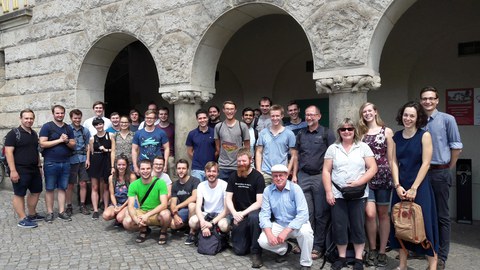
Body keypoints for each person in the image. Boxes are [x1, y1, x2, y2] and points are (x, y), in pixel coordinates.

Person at [322, 118, 378, 270]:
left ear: (354, 131)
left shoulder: (363, 147)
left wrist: (359, 182)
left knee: (357, 226)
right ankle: (342, 257)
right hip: (338, 194)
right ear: (339, 132)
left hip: (358, 194)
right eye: (343, 129)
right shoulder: (333, 149)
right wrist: (328, 192)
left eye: (350, 129)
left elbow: (373, 168)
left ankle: (359, 259)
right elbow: (326, 171)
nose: (347, 131)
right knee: (339, 226)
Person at [390, 101, 439, 270]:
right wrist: (397, 185)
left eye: (412, 115)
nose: (408, 118)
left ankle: (432, 265)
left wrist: (414, 187)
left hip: (420, 187)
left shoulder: (424, 135)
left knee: (425, 225)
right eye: (405, 115)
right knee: (401, 224)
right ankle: (402, 264)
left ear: (418, 118)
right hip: (400, 186)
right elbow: (393, 162)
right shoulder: (396, 136)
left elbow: (426, 164)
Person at [420, 86, 462, 270]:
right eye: (424, 98)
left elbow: (456, 147)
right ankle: (424, 247)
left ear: (437, 100)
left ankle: (442, 255)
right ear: (421, 101)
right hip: (421, 173)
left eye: (431, 98)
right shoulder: (418, 120)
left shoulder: (447, 119)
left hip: (440, 172)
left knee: (442, 216)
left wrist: (447, 168)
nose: (428, 101)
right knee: (422, 213)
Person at [292, 105, 336, 260]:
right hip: (303, 176)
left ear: (318, 116)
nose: (309, 117)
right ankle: (305, 243)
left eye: (312, 115)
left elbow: (333, 156)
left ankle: (318, 246)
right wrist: (294, 175)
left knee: (320, 214)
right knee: (305, 213)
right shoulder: (301, 134)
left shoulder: (326, 133)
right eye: (307, 115)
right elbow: (296, 156)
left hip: (320, 177)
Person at [358, 102, 394, 267]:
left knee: (383, 215)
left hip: (384, 177)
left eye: (369, 110)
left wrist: (396, 180)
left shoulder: (386, 131)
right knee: (370, 214)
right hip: (367, 178)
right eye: (364, 111)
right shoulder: (361, 134)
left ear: (375, 111)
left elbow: (391, 158)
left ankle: (381, 251)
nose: (367, 113)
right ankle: (371, 248)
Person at [258, 164, 314, 269]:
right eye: (275, 176)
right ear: (272, 176)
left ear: (287, 175)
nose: (278, 178)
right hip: (280, 224)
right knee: (263, 240)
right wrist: (269, 234)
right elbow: (264, 214)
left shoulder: (295, 189)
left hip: (296, 224)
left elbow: (303, 214)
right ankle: (285, 249)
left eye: (281, 175)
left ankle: (306, 263)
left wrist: (286, 230)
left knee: (306, 233)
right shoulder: (268, 191)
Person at [225, 148, 265, 268]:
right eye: (239, 161)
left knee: (253, 217)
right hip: (238, 215)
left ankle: (256, 253)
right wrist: (234, 213)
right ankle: (247, 240)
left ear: (250, 160)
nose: (241, 164)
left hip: (253, 213)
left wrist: (242, 213)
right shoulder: (233, 177)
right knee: (239, 251)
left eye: (244, 161)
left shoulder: (258, 177)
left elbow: (259, 202)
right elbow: (228, 198)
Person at [5, 109, 44, 228]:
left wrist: (39, 166)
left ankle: (32, 214)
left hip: (34, 169)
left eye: (31, 118)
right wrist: (13, 170)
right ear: (21, 119)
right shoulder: (13, 133)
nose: (29, 120)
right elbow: (8, 152)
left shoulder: (33, 133)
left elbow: (35, 151)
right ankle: (22, 219)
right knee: (19, 194)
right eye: (26, 118)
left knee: (36, 191)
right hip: (20, 169)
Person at [39, 105, 76, 223]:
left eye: (62, 113)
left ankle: (61, 211)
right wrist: (60, 140)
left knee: (62, 188)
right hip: (50, 162)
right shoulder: (47, 127)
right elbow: (43, 143)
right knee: (50, 188)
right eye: (57, 113)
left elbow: (73, 144)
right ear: (53, 114)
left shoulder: (68, 128)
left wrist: (66, 141)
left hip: (65, 162)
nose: (60, 115)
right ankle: (49, 212)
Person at [123, 160, 172, 245]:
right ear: (139, 170)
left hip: (157, 213)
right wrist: (136, 220)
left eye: (148, 168)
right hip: (142, 211)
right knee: (126, 221)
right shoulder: (133, 185)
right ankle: (144, 230)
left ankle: (163, 232)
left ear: (152, 169)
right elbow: (130, 206)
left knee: (166, 214)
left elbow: (164, 204)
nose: (145, 171)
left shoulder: (160, 183)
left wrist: (147, 215)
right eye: (143, 169)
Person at [188, 161, 230, 245]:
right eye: (209, 171)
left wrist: (211, 223)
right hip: (207, 214)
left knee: (224, 226)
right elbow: (198, 207)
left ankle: (223, 235)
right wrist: (203, 222)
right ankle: (200, 232)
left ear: (218, 173)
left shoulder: (224, 185)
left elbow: (226, 210)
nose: (211, 174)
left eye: (214, 171)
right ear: (205, 173)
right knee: (192, 222)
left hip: (220, 215)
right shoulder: (201, 185)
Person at [255, 104, 296, 185]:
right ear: (270, 116)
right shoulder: (263, 133)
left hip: (281, 173)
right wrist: (259, 171)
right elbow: (259, 152)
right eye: (273, 116)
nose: (275, 118)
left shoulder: (289, 133)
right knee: (264, 197)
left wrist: (288, 171)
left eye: (277, 116)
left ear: (282, 116)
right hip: (265, 173)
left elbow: (294, 155)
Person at [215, 101, 250, 180]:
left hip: (238, 166)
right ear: (223, 110)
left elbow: (247, 147)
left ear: (235, 110)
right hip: (223, 167)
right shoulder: (218, 126)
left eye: (231, 109)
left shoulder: (242, 126)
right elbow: (217, 146)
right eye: (227, 109)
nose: (229, 111)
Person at [67, 109, 91, 216]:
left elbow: (88, 146)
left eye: (79, 118)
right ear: (71, 118)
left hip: (82, 159)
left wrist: (88, 159)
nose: (77, 120)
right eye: (75, 118)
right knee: (70, 184)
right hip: (71, 159)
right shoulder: (67, 129)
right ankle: (69, 206)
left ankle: (82, 204)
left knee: (83, 183)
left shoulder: (85, 130)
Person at [170, 159, 201, 244]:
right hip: (184, 210)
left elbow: (194, 197)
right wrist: (175, 215)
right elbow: (173, 203)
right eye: (179, 168)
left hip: (196, 209)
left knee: (191, 205)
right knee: (173, 225)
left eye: (183, 168)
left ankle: (192, 233)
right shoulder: (175, 185)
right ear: (176, 170)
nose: (181, 171)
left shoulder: (195, 180)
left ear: (187, 170)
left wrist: (178, 207)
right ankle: (186, 225)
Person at [88, 117, 113, 219]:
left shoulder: (110, 135)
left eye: (100, 124)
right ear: (94, 126)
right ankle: (95, 210)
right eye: (97, 125)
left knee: (106, 186)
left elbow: (114, 150)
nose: (99, 126)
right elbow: (90, 151)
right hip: (95, 162)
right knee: (94, 187)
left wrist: (106, 150)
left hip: (106, 161)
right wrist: (88, 160)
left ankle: (106, 207)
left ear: (103, 124)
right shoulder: (92, 138)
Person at [132, 109, 169, 174]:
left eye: (151, 118)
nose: (149, 120)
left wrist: (165, 164)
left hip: (157, 165)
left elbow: (167, 148)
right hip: (143, 164)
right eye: (147, 118)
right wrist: (135, 166)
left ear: (155, 119)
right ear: (145, 119)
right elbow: (134, 150)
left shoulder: (161, 133)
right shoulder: (138, 133)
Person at [102, 156, 136, 225]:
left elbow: (132, 196)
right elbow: (112, 194)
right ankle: (118, 215)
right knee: (105, 215)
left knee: (120, 218)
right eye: (119, 165)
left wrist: (121, 207)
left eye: (123, 165)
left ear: (127, 165)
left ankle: (122, 217)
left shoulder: (132, 177)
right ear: (116, 165)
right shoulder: (111, 178)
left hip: (127, 203)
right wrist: (116, 206)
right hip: (117, 202)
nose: (121, 167)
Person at [186, 109, 216, 181]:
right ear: (197, 119)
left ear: (208, 118)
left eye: (204, 118)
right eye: (200, 118)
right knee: (198, 190)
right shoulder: (192, 134)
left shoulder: (214, 132)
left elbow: (218, 150)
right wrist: (197, 158)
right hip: (197, 168)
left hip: (211, 168)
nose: (202, 120)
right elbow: (189, 151)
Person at [157, 107, 175, 175]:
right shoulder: (155, 127)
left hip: (170, 155)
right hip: (157, 155)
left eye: (165, 114)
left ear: (168, 115)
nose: (163, 116)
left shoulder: (173, 127)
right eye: (161, 114)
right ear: (158, 115)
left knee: (171, 176)